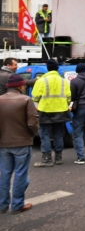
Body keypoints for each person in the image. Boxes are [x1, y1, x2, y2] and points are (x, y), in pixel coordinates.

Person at [0, 74, 38, 214]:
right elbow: (33, 122)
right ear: (21, 86)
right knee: (20, 173)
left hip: (4, 143)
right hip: (22, 142)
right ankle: (17, 205)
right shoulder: (26, 100)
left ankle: (2, 205)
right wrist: (32, 134)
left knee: (5, 173)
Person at [32, 59, 71, 167]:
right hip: (61, 110)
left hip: (45, 110)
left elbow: (34, 97)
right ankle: (58, 158)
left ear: (47, 68)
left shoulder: (42, 81)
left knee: (45, 135)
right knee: (58, 135)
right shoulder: (64, 81)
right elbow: (68, 98)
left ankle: (47, 159)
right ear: (57, 68)